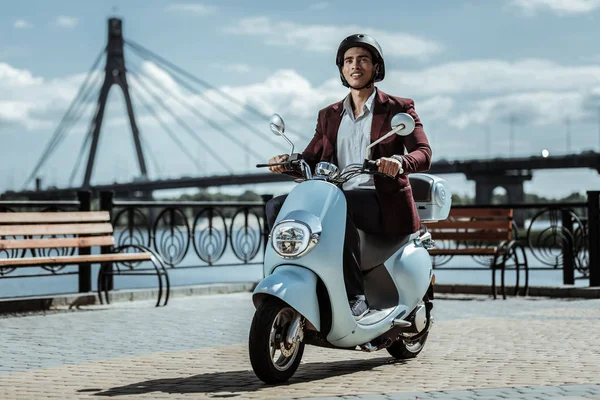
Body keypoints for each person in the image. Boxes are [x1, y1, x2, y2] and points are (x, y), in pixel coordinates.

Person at [265, 34, 432, 320]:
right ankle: (287, 274)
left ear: (376, 67)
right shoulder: (328, 115)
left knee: (341, 208)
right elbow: (310, 157)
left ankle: (356, 296)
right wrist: (286, 163)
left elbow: (423, 152)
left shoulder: (397, 107)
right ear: (342, 69)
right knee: (277, 207)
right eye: (349, 61)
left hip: (380, 199)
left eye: (363, 60)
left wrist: (398, 161)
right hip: (336, 195)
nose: (355, 65)